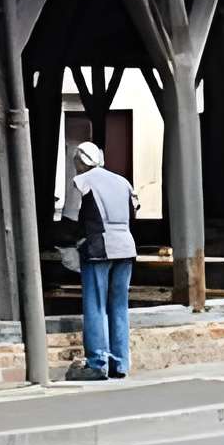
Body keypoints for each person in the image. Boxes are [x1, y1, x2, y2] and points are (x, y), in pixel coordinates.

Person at [57, 140, 138, 381]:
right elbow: (134, 213)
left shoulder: (82, 182)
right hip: (126, 247)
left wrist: (68, 245)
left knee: (96, 306)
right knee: (119, 307)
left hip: (98, 247)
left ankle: (97, 362)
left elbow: (70, 219)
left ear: (80, 162)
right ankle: (121, 363)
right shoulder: (123, 182)